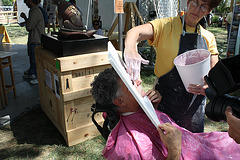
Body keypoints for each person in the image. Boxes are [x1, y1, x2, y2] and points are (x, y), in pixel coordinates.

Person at [91, 68, 240, 159]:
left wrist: (154, 109)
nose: (139, 80)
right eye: (131, 82)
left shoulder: (136, 109)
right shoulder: (129, 148)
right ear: (120, 102)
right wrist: (174, 150)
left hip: (204, 145)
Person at [124, 0, 221, 132]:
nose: (197, 9)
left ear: (208, 11)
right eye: (195, 3)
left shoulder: (208, 37)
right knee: (165, 145)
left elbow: (214, 71)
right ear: (188, 2)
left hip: (194, 108)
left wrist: (208, 85)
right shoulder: (166, 26)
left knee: (190, 148)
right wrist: (130, 49)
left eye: (203, 6)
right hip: (164, 101)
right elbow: (135, 32)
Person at [20, 0, 45, 85]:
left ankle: (37, 76)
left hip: (36, 39)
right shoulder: (34, 10)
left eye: (26, 1)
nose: (25, 3)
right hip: (34, 39)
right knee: (32, 58)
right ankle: (32, 72)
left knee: (35, 60)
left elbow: (29, 26)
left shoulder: (35, 11)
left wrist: (25, 19)